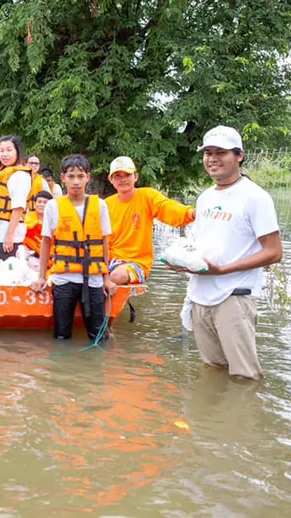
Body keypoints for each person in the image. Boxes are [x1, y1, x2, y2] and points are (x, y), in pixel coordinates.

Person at [180, 126, 282, 380]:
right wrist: (183, 260)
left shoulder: (255, 197)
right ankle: (213, 420)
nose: (212, 159)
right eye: (208, 153)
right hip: (201, 295)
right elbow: (202, 243)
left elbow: (274, 252)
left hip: (233, 297)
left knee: (244, 377)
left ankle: (243, 418)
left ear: (239, 155)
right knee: (213, 370)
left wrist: (223, 270)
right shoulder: (205, 197)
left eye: (221, 152)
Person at [31, 154, 117, 340]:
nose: (76, 181)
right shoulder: (53, 205)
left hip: (93, 279)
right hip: (64, 279)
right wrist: (41, 277)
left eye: (80, 176)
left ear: (88, 177)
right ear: (63, 178)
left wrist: (107, 279)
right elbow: (46, 241)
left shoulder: (100, 205)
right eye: (71, 176)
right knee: (61, 336)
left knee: (98, 337)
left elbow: (104, 243)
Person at [106, 156, 196, 285]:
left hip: (136, 264)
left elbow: (168, 208)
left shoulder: (147, 196)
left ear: (135, 176)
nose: (123, 179)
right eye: (117, 176)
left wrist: (191, 213)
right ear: (111, 180)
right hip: (109, 262)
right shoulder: (106, 204)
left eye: (127, 174)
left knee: (116, 276)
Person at [0, 136, 32, 260]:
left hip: (8, 238)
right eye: (2, 150)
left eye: (9, 150)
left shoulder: (20, 175)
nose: (4, 154)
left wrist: (9, 236)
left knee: (5, 276)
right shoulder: (2, 172)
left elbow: (18, 208)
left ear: (17, 152)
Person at [22, 190, 53, 257]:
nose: (41, 204)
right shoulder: (27, 219)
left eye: (45, 202)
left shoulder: (54, 220)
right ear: (35, 203)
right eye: (39, 202)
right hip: (30, 252)